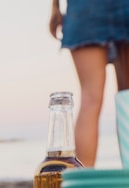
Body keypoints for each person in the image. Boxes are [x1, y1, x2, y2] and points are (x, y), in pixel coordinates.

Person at [50, 0, 129, 167]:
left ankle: (83, 185)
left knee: (90, 100)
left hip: (85, 8)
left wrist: (54, 7)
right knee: (127, 100)